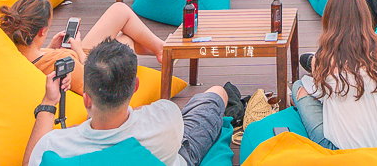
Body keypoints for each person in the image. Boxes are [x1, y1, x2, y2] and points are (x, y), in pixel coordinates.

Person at [25, 39, 227, 166]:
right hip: (175, 154)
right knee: (217, 93)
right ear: (136, 86)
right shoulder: (165, 115)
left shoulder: (55, 146)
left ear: (86, 98)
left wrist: (49, 101)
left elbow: (31, 160)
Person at [292, 0, 377, 150]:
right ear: (365, 16)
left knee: (299, 87)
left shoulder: (323, 58)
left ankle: (309, 68)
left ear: (329, 19)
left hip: (343, 149)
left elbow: (322, 96)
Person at [0, 0, 166, 95]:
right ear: (41, 31)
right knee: (125, 39)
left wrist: (50, 47)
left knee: (119, 11)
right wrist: (78, 50)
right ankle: (164, 49)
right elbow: (95, 82)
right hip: (88, 63)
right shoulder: (60, 60)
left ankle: (161, 48)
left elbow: (38, 58)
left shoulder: (12, 50)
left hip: (74, 56)